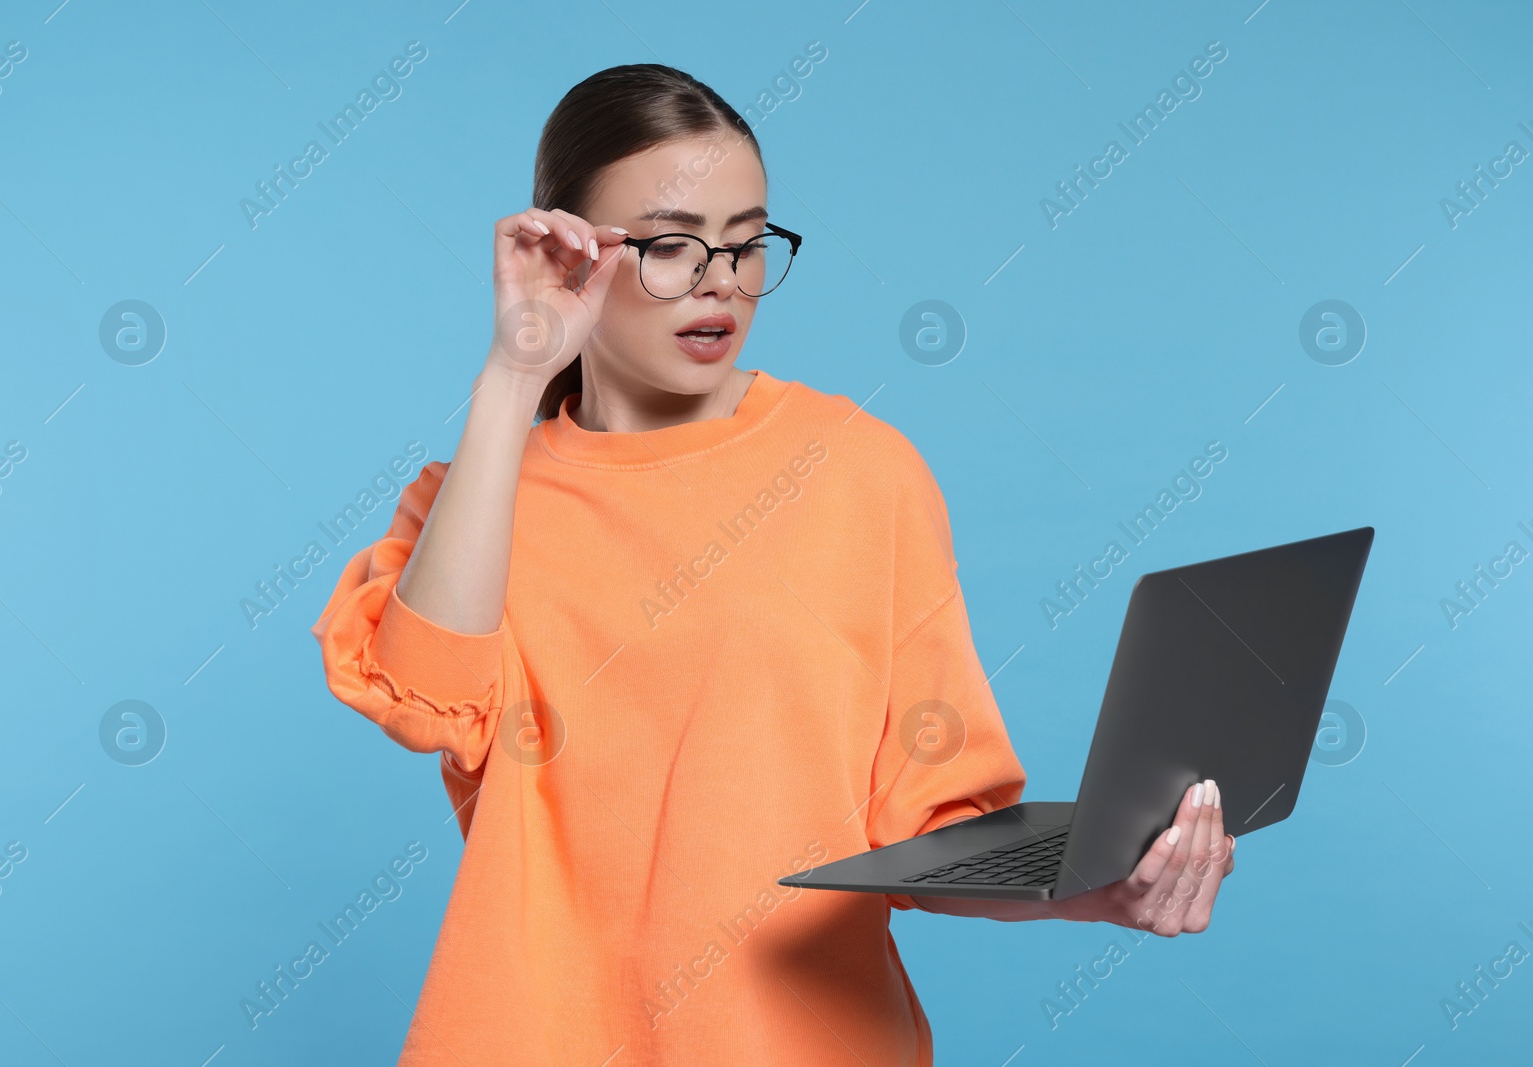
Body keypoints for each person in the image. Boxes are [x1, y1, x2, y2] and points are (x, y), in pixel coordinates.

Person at [310, 62, 1236, 1067]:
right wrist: (514, 369)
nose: (718, 279)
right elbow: (426, 697)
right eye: (669, 245)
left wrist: (1089, 880)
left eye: (747, 243)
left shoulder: (859, 471)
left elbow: (926, 822)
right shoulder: (474, 502)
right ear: (566, 246)